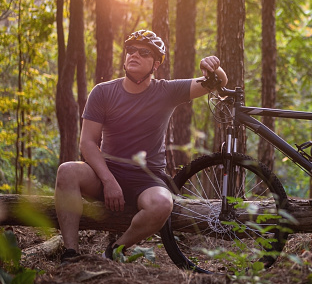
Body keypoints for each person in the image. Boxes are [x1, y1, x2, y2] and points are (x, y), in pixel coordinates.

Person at [54, 29, 227, 261]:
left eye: (143, 52)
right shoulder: (103, 92)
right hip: (106, 172)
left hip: (147, 178)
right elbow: (87, 142)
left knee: (162, 204)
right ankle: (70, 253)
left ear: (156, 64)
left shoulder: (167, 91)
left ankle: (115, 252)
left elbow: (218, 82)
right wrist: (108, 181)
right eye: (131, 50)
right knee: (67, 171)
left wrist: (213, 65)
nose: (134, 55)